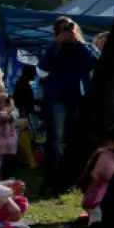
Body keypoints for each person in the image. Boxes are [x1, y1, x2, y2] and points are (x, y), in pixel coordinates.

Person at [37, 17, 99, 188]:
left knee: (73, 138)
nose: (66, 32)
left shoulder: (84, 46)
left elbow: (95, 61)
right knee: (55, 139)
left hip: (77, 97)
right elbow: (43, 65)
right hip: (57, 97)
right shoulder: (55, 48)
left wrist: (77, 42)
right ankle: (51, 179)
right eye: (62, 29)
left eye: (68, 29)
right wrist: (56, 43)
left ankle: (70, 179)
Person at [79, 123, 114, 225]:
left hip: (108, 199)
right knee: (108, 186)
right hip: (94, 197)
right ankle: (96, 219)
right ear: (111, 142)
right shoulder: (106, 157)